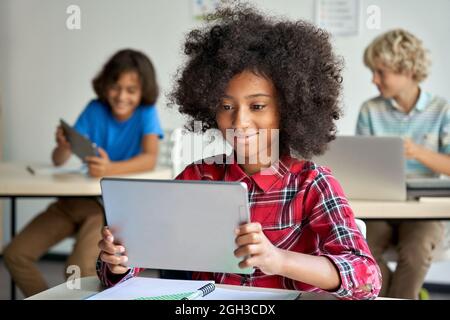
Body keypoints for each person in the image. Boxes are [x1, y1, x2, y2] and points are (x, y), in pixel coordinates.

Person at [97, 4, 381, 300]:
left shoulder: (313, 185)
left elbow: (367, 280)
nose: (239, 121)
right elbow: (130, 265)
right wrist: (118, 262)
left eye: (257, 106)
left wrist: (278, 260)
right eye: (226, 106)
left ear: (288, 110)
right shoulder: (199, 177)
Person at [4, 48, 164, 297]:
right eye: (115, 87)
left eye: (131, 90)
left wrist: (110, 169)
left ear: (143, 91)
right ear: (105, 85)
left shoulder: (146, 113)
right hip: (76, 201)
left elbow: (150, 158)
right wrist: (63, 146)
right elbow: (58, 161)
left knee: (77, 270)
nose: (121, 96)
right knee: (15, 254)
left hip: (106, 209)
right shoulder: (94, 109)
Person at [356, 29, 450, 299]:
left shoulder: (441, 110)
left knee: (415, 250)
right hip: (380, 205)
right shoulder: (369, 110)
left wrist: (417, 152)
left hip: (422, 208)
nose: (374, 79)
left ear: (406, 70)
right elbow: (361, 166)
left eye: (380, 72)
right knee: (361, 248)